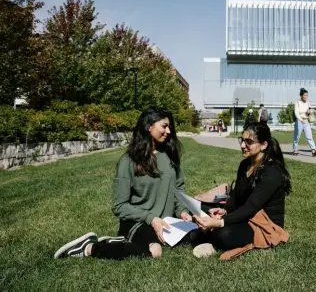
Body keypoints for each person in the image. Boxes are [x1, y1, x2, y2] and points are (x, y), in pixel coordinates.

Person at [54, 107, 192, 260]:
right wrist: (151, 218)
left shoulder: (170, 156)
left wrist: (183, 211)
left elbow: (178, 190)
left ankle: (117, 242)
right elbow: (119, 206)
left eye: (170, 127)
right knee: (155, 251)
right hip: (138, 221)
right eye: (164, 126)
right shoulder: (129, 161)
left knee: (197, 236)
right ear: (149, 126)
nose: (169, 131)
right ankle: (90, 247)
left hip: (167, 223)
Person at [189, 122, 291, 258]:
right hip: (246, 216)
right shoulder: (245, 164)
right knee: (203, 209)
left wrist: (220, 222)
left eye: (248, 141)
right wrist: (224, 211)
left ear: (264, 145)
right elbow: (236, 197)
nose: (243, 145)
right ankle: (207, 233)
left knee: (223, 234)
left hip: (264, 224)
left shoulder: (272, 172)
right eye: (242, 140)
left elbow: (251, 207)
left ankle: (210, 235)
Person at [293, 88, 316, 156]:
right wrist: (300, 120)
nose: (306, 97)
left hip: (306, 121)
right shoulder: (297, 103)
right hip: (299, 120)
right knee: (297, 136)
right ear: (301, 96)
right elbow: (296, 113)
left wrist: (309, 112)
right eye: (304, 95)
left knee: (309, 136)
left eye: (307, 95)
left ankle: (313, 150)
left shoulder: (308, 103)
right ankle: (295, 149)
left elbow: (310, 111)